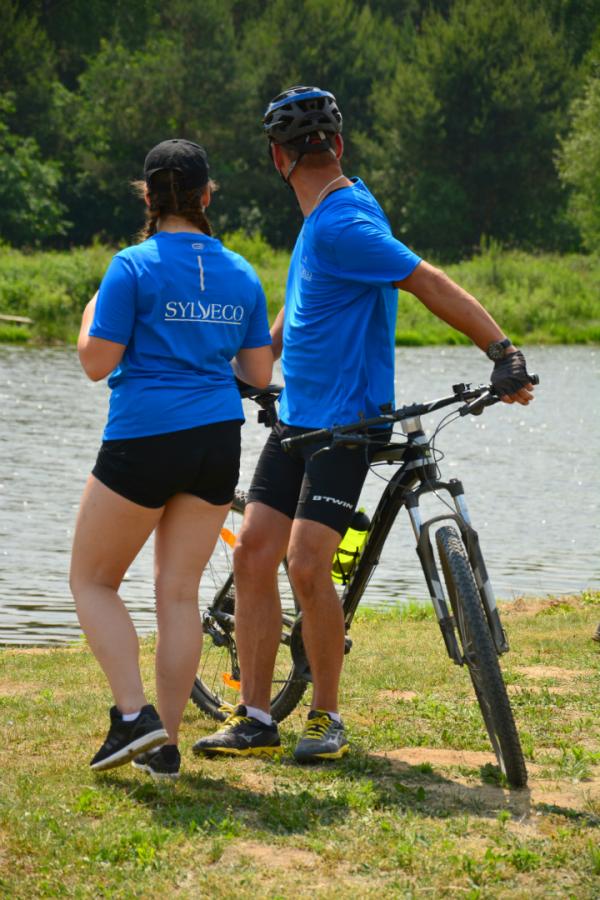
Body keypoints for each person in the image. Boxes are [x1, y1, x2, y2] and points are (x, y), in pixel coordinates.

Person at [193, 86, 535, 764]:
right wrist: (254, 367)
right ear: (338, 147)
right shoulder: (327, 217)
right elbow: (303, 305)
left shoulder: (342, 222)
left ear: (277, 159)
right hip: (297, 421)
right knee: (253, 553)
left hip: (346, 426)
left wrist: (502, 351)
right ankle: (256, 717)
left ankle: (326, 717)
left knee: (306, 562)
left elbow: (426, 280)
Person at [70, 139, 273, 779]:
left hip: (146, 436)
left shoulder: (131, 267)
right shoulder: (241, 272)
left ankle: (135, 717)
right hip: (216, 438)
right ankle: (165, 747)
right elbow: (259, 374)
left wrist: (90, 315)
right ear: (207, 196)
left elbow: (96, 362)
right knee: (179, 593)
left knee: (92, 582)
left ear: (149, 198)